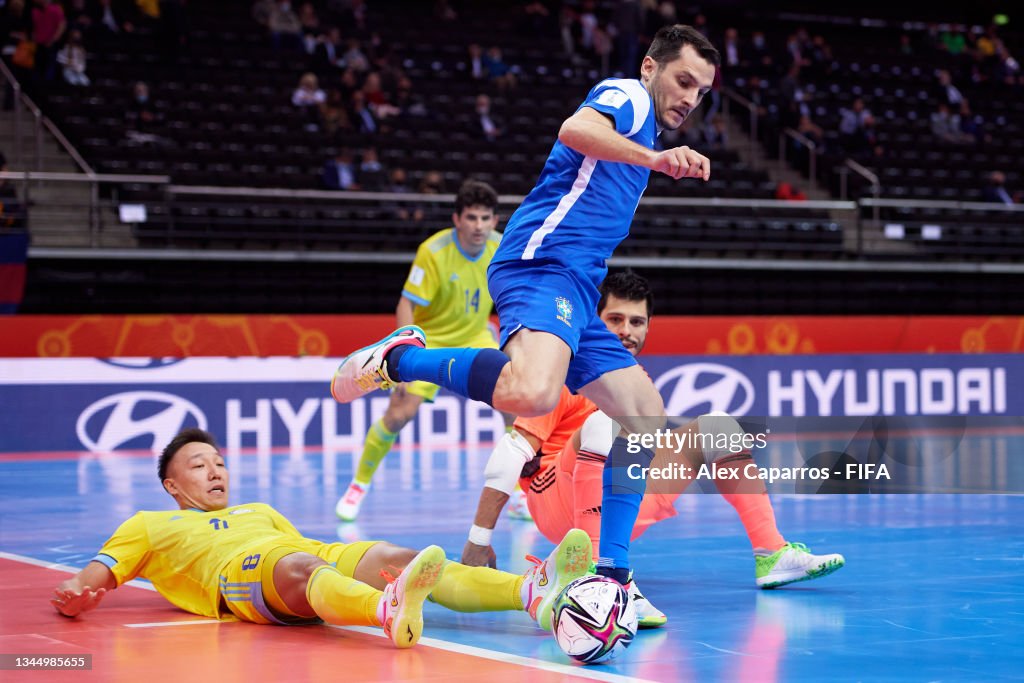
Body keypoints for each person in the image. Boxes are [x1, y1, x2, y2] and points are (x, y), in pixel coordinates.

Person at [332, 24, 718, 589]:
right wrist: (655, 162)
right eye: (683, 80)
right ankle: (399, 360)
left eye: (702, 92)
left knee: (644, 417)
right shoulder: (629, 98)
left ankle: (611, 575)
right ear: (650, 68)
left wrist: (651, 158)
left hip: (581, 287)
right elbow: (575, 128)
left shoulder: (649, 131)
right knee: (533, 392)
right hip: (540, 265)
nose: (690, 98)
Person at [460, 272, 844, 627]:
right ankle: (603, 577)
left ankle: (772, 554)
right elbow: (511, 454)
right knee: (603, 424)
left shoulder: (633, 383)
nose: (626, 331)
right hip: (558, 502)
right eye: (615, 319)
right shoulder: (565, 372)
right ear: (595, 320)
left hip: (615, 492)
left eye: (636, 322)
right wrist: (479, 542)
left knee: (718, 429)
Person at [50, 428, 592, 647]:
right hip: (236, 576)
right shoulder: (148, 525)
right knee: (298, 571)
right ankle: (387, 611)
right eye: (199, 466)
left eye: (219, 462)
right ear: (172, 484)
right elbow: (96, 576)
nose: (216, 471)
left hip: (298, 550)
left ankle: (534, 596)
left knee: (397, 556)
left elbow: (304, 547)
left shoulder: (257, 507)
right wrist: (78, 593)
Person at [336, 179, 510, 521]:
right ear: (457, 219)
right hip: (431, 340)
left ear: (494, 221)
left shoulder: (500, 247)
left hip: (475, 335)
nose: (479, 226)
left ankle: (517, 492)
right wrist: (400, 355)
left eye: (485, 219)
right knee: (400, 413)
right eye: (472, 218)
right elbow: (406, 305)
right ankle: (358, 485)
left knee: (516, 405)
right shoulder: (433, 252)